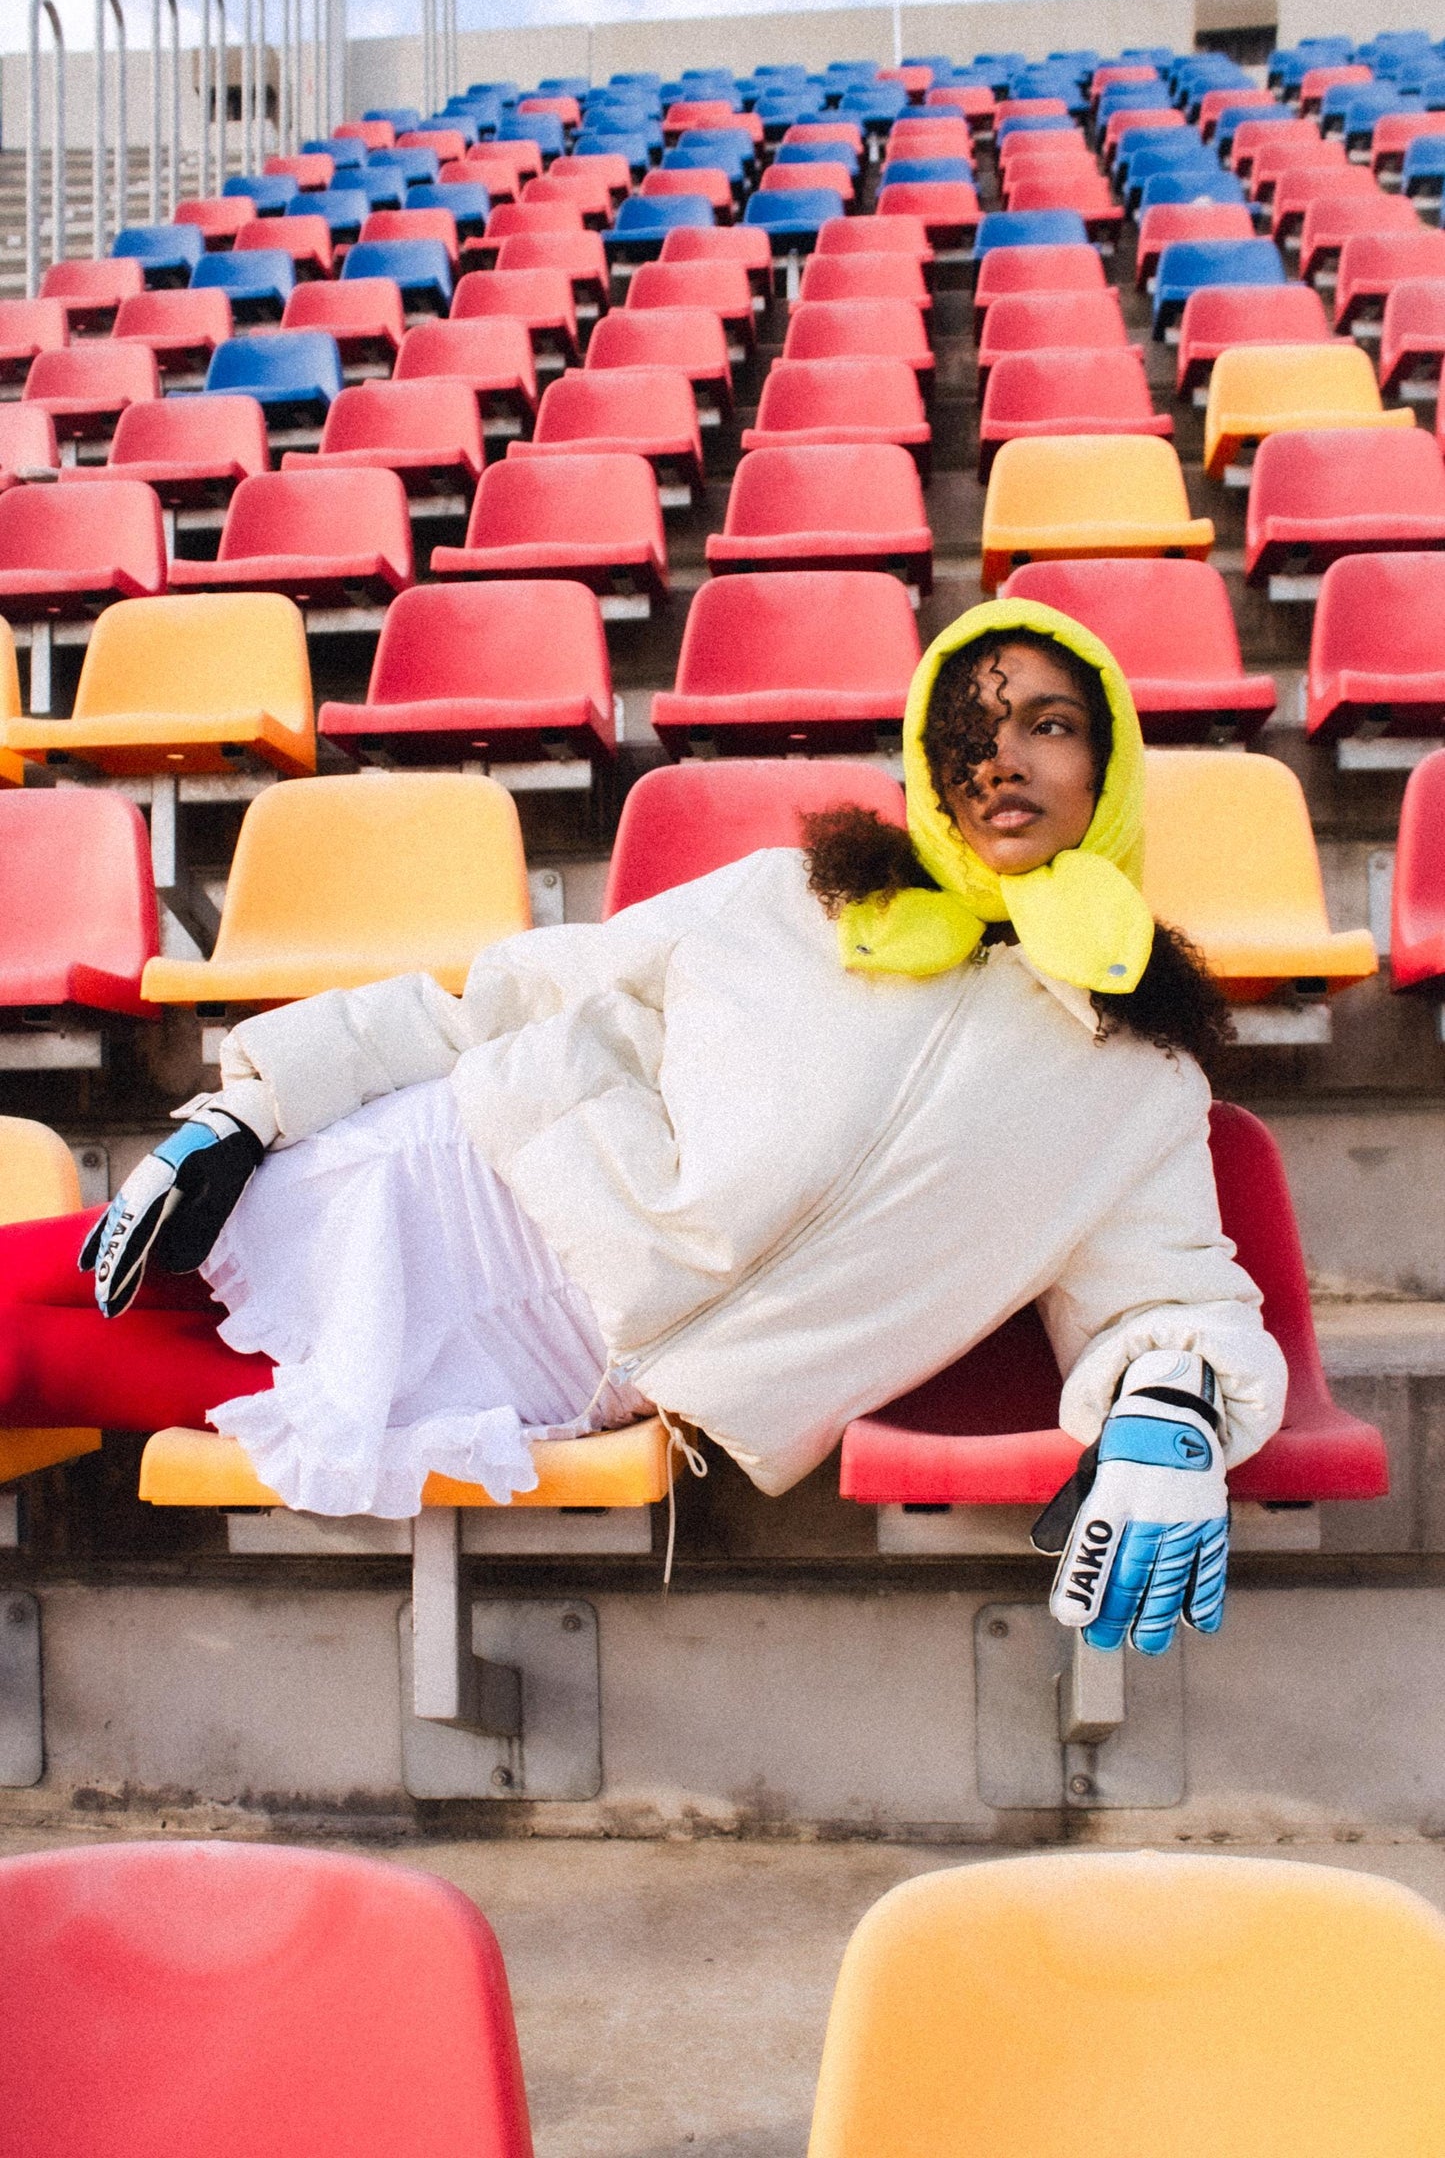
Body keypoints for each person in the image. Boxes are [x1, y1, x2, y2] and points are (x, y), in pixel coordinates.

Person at [7, 600, 1286, 1652]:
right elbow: (510, 997)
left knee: (31, 1364)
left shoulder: (1138, 1080)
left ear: (1107, 760)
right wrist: (254, 1101)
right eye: (967, 729)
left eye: (1046, 723)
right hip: (444, 1169)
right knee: (27, 1296)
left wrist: (1170, 1414)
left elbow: (1165, 1298)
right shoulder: (793, 894)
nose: (999, 758)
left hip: (550, 1360)